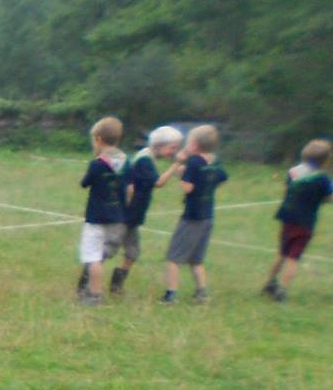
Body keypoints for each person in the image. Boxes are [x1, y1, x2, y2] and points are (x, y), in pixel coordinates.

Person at [157, 123, 228, 303]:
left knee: (174, 257)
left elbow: (188, 187)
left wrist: (182, 169)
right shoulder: (215, 161)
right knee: (196, 259)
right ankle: (202, 293)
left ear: (194, 145)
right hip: (207, 215)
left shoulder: (194, 161)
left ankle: (170, 295)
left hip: (192, 217)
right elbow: (222, 178)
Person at [110, 125, 180, 297]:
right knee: (108, 249)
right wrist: (176, 165)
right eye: (172, 148)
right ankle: (87, 280)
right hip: (126, 215)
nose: (174, 152)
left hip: (134, 216)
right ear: (159, 145)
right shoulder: (144, 160)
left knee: (132, 252)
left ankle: (116, 285)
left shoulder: (148, 157)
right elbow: (158, 182)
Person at [263, 138, 333, 302]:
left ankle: (269, 283)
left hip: (287, 218)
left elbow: (289, 189)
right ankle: (281, 291)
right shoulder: (322, 178)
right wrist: (327, 197)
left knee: (282, 253)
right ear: (326, 160)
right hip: (305, 222)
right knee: (293, 257)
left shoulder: (293, 172)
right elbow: (331, 198)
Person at [76, 116, 128, 306]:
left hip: (97, 218)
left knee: (93, 258)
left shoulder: (97, 164)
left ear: (98, 139)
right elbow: (128, 188)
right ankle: (93, 292)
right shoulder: (125, 162)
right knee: (101, 254)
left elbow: (85, 183)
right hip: (117, 217)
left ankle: (94, 295)